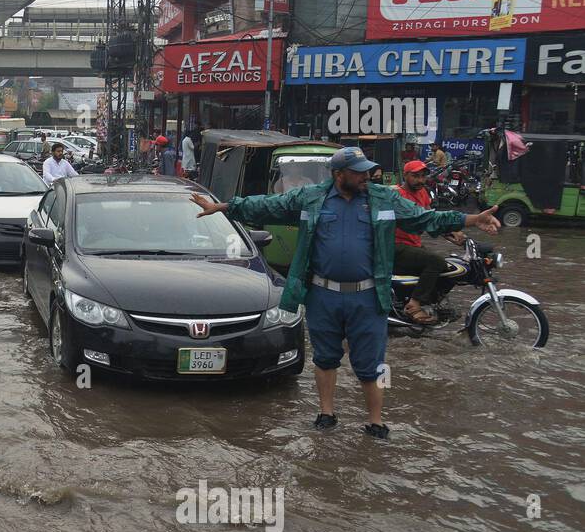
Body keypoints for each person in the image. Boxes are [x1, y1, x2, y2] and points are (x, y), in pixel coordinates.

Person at [189, 146, 500, 440]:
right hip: (322, 295)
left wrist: (473, 219)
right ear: (339, 174)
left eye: (366, 171)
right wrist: (224, 207)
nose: (366, 176)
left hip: (368, 296)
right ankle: (326, 415)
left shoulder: (383, 199)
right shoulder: (312, 197)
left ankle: (376, 422)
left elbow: (427, 219)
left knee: (372, 363)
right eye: (358, 171)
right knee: (325, 358)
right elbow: (269, 205)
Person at [393, 159, 465, 325]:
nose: (420, 180)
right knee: (436, 261)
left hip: (414, 245)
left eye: (423, 176)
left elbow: (430, 221)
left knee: (451, 268)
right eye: (415, 176)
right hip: (395, 246)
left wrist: (452, 233)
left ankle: (431, 302)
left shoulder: (423, 193)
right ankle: (414, 305)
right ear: (405, 176)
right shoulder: (396, 195)